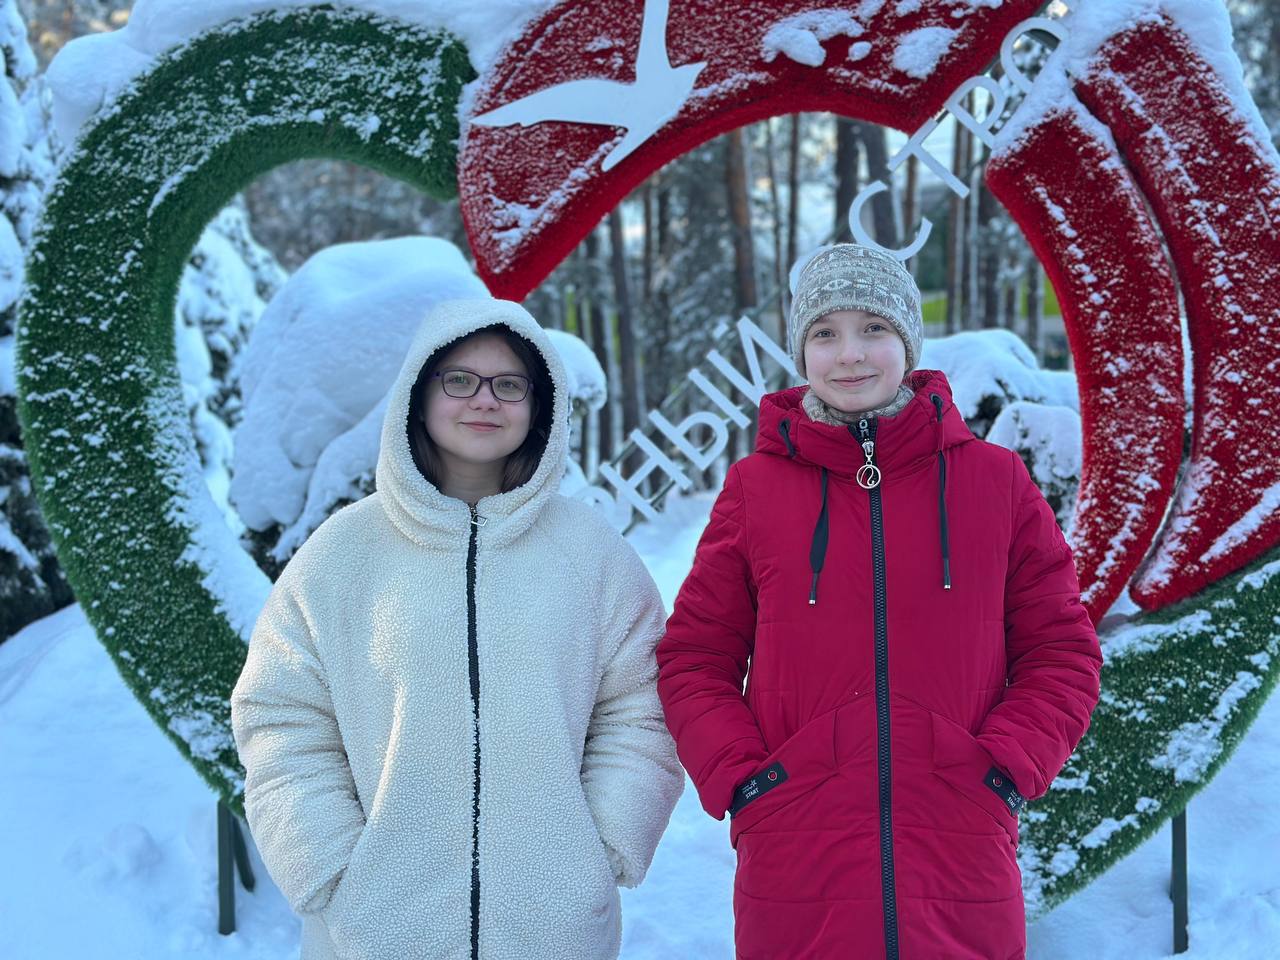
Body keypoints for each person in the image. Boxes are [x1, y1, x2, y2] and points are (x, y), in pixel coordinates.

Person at [655, 244, 1103, 959]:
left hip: (961, 845)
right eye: (824, 332)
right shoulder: (755, 490)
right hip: (795, 852)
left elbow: (1062, 651)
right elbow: (694, 659)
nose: (850, 354)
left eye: (874, 328)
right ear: (802, 351)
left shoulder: (996, 483)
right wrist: (747, 783)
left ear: (908, 342)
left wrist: (1002, 771)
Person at [231, 298, 683, 960]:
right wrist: (330, 868)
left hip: (553, 935)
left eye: (509, 385)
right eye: (460, 380)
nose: (485, 400)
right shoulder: (341, 554)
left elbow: (642, 707)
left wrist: (605, 843)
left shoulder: (592, 555)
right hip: (374, 936)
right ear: (418, 396)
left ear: (540, 406)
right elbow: (281, 717)